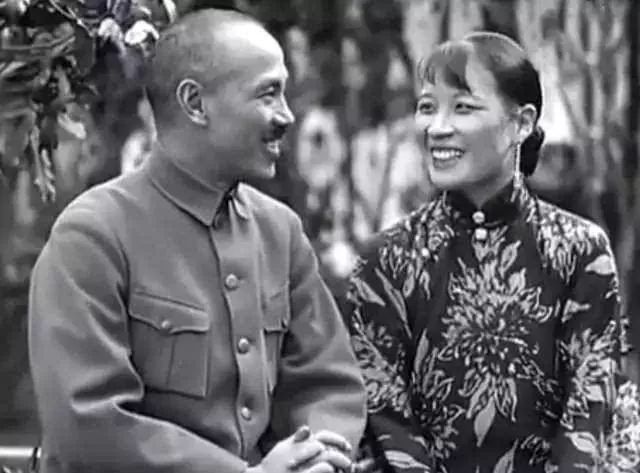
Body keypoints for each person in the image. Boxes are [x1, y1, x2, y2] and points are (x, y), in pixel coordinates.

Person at [28, 8, 366, 473]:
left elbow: (328, 383)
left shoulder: (279, 231)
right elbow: (88, 423)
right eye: (268, 93)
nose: (286, 115)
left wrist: (317, 458)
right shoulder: (91, 237)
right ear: (195, 103)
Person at [344, 32, 638, 473]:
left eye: (463, 108)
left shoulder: (580, 251)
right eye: (428, 107)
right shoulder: (385, 259)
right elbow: (386, 414)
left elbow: (589, 407)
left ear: (521, 123)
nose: (437, 128)